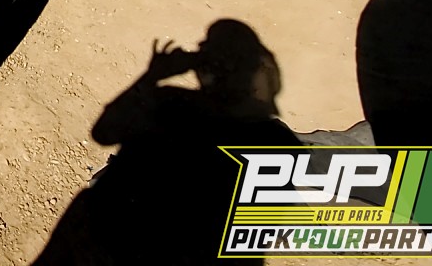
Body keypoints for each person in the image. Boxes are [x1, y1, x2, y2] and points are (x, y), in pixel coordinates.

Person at [35, 20, 300, 266]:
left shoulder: (171, 103)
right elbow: (266, 227)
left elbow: (103, 132)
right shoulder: (276, 141)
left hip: (102, 244)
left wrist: (153, 76)